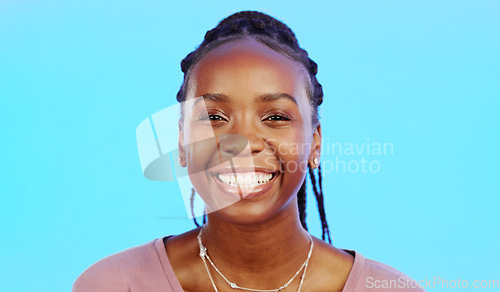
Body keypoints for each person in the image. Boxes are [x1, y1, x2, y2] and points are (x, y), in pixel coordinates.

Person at [73, 11, 424, 292]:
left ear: (315, 143)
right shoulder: (114, 285)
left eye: (275, 117)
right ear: (181, 142)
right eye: (214, 117)